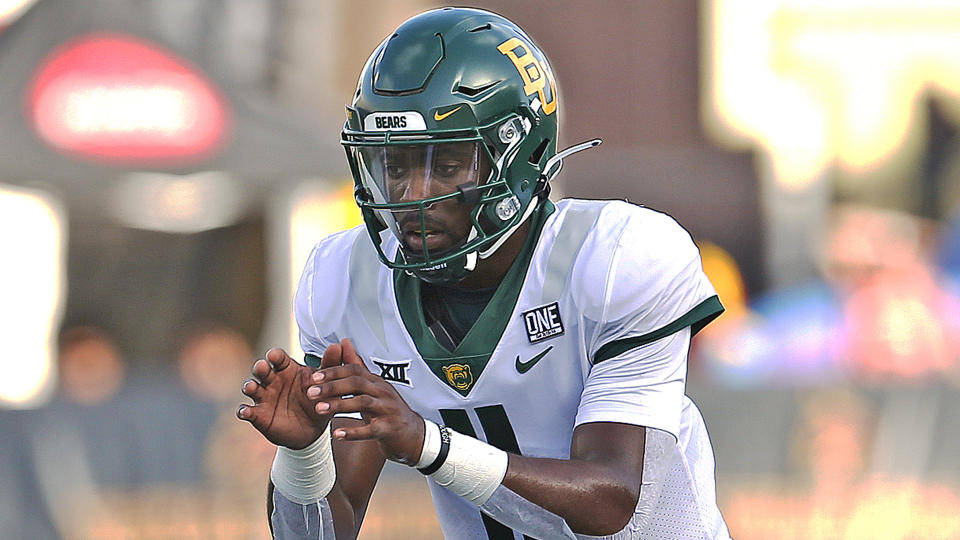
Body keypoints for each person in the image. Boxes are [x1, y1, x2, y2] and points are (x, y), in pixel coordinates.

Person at [238, 7, 731, 539]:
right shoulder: (343, 279)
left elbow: (611, 502)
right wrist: (303, 456)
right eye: (395, 167)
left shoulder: (616, 259)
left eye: (445, 165)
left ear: (520, 154)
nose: (412, 197)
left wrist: (428, 444)